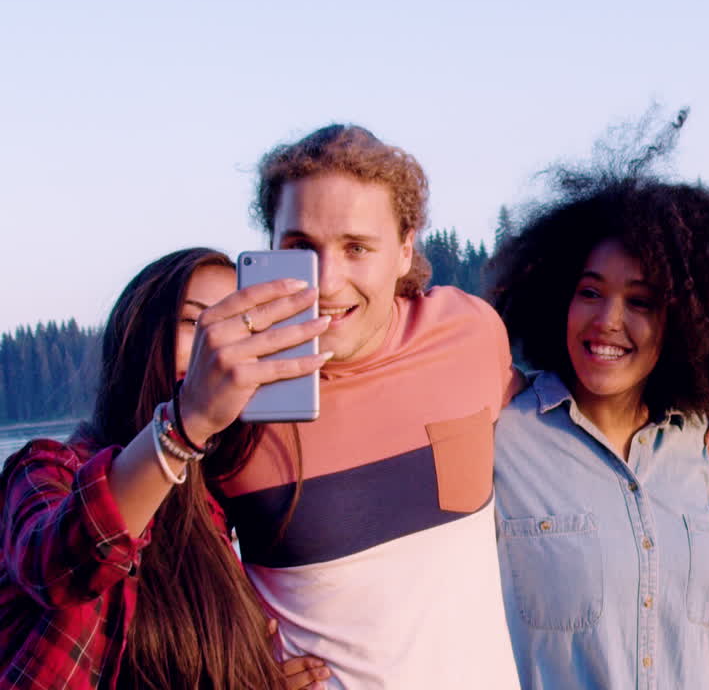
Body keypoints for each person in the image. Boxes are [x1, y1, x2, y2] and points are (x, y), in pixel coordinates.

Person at [212, 124, 522, 688]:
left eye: (357, 248)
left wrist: (706, 413)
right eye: (302, 248)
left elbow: (566, 415)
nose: (327, 283)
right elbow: (155, 587)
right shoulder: (232, 397)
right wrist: (236, 674)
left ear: (405, 249)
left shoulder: (470, 334)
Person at [487, 174, 709, 688]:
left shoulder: (703, 442)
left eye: (640, 302)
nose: (608, 320)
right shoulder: (501, 443)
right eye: (590, 291)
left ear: (684, 323)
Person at [0, 248, 331, 689]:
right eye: (197, 323)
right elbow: (59, 568)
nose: (219, 347)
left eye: (240, 328)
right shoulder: (48, 469)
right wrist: (185, 422)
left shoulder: (215, 512)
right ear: (138, 336)